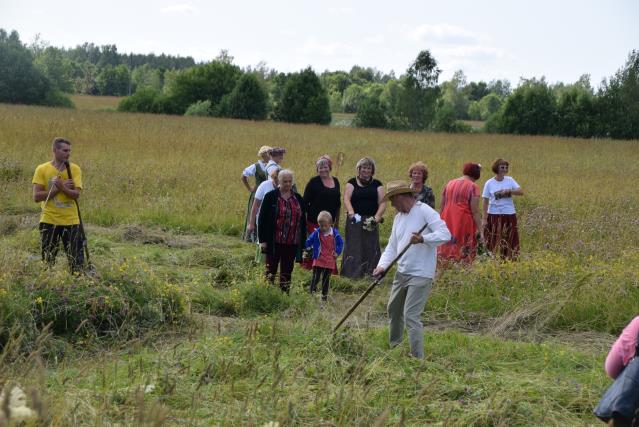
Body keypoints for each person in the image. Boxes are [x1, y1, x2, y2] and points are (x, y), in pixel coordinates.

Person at [372, 181, 450, 359]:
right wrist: (382, 265)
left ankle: (417, 358)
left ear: (401, 197)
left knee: (411, 316)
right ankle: (395, 348)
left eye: (393, 200)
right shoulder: (399, 218)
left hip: (421, 274)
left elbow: (445, 234)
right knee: (394, 310)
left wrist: (423, 239)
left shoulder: (424, 211)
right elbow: (392, 246)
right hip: (402, 272)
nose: (392, 205)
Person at [32, 137, 84, 274]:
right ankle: (48, 286)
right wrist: (58, 188)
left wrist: (62, 187)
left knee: (76, 261)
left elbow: (76, 195)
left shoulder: (74, 169)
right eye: (64, 150)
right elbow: (36, 197)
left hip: (71, 221)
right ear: (54, 150)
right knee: (48, 259)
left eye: (69, 151)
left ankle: (78, 286)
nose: (68, 153)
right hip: (49, 220)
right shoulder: (42, 169)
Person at [258, 169, 307, 293]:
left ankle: (283, 295)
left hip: (292, 241)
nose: (287, 184)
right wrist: (262, 241)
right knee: (270, 269)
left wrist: (303, 243)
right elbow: (262, 219)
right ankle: (266, 293)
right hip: (274, 240)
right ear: (278, 181)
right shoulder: (270, 197)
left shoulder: (299, 199)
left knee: (287, 271)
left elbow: (302, 222)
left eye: (290, 181)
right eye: (285, 181)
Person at [341, 157, 386, 279]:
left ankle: (372, 273)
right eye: (363, 167)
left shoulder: (378, 184)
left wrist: (376, 218)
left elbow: (382, 202)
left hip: (371, 220)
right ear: (359, 169)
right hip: (355, 219)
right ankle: (352, 275)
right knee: (353, 245)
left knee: (371, 246)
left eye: (368, 168)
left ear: (372, 170)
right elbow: (346, 198)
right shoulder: (351, 182)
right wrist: (351, 213)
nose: (366, 170)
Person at [438, 163, 483, 264]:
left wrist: (439, 221)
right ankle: (462, 267)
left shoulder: (450, 183)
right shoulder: (473, 186)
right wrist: (481, 229)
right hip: (463, 220)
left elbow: (442, 205)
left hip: (446, 218)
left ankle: (444, 265)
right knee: (462, 247)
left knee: (446, 244)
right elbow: (475, 211)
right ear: (476, 174)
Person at [301, 155, 341, 270]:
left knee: (329, 247)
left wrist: (336, 222)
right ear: (317, 169)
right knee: (315, 245)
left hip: (330, 223)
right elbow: (304, 203)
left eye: (325, 167)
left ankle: (329, 271)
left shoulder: (336, 181)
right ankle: (309, 269)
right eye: (320, 168)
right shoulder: (313, 182)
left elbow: (338, 204)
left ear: (330, 167)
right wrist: (307, 219)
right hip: (314, 222)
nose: (323, 169)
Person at [482, 158, 524, 260]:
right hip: (494, 214)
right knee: (492, 238)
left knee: (510, 238)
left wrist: (509, 191)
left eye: (506, 167)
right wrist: (484, 218)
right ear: (496, 168)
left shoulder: (510, 180)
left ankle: (508, 260)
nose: (505, 169)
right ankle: (488, 260)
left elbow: (521, 191)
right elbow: (485, 200)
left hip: (509, 213)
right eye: (502, 167)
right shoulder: (489, 183)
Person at [304, 211, 344, 301]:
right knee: (316, 277)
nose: (323, 228)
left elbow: (340, 243)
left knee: (326, 279)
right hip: (318, 259)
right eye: (321, 225)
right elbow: (309, 240)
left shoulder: (335, 233)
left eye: (325, 226)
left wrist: (337, 252)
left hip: (329, 260)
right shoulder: (317, 233)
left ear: (330, 224)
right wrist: (306, 247)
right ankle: (312, 293)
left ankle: (324, 297)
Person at [248, 166, 280, 263]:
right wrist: (251, 223)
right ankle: (260, 264)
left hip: (278, 223)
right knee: (263, 242)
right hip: (264, 220)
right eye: (275, 179)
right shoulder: (265, 185)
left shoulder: (285, 187)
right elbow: (255, 206)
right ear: (273, 178)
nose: (277, 182)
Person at [241, 145, 271, 242]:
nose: (269, 155)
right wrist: (250, 188)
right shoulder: (256, 166)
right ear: (263, 155)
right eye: (268, 153)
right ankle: (250, 238)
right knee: (254, 213)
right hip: (258, 194)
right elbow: (243, 176)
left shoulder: (272, 166)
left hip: (268, 194)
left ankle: (262, 238)